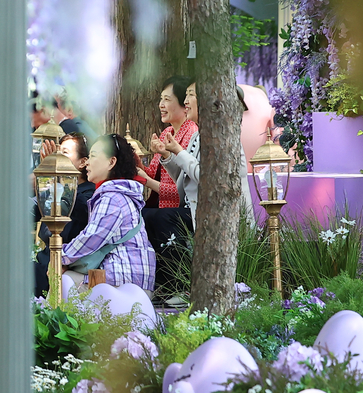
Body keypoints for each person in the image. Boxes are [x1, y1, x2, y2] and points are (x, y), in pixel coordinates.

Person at [61, 134, 156, 296]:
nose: (88, 163)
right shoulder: (119, 194)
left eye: (93, 156)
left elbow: (90, 238)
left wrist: (60, 257)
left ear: (111, 162)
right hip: (130, 281)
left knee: (63, 280)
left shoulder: (112, 198)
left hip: (125, 283)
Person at [156, 83, 254, 227]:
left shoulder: (222, 136)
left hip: (220, 221)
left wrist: (179, 152)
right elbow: (185, 177)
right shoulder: (197, 135)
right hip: (197, 212)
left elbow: (209, 178)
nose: (185, 101)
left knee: (155, 218)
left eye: (191, 95)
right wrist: (167, 155)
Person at [34, 132, 94, 297]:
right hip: (44, 259)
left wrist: (61, 175)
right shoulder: (57, 186)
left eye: (65, 153)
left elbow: (83, 213)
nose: (58, 157)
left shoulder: (89, 194)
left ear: (83, 162)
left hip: (63, 267)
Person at [137, 75, 196, 207]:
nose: (161, 105)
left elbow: (182, 190)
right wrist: (134, 159)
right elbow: (152, 173)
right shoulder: (167, 133)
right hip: (163, 208)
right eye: (161, 99)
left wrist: (147, 181)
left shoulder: (192, 133)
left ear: (184, 104)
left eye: (167, 100)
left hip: (178, 213)